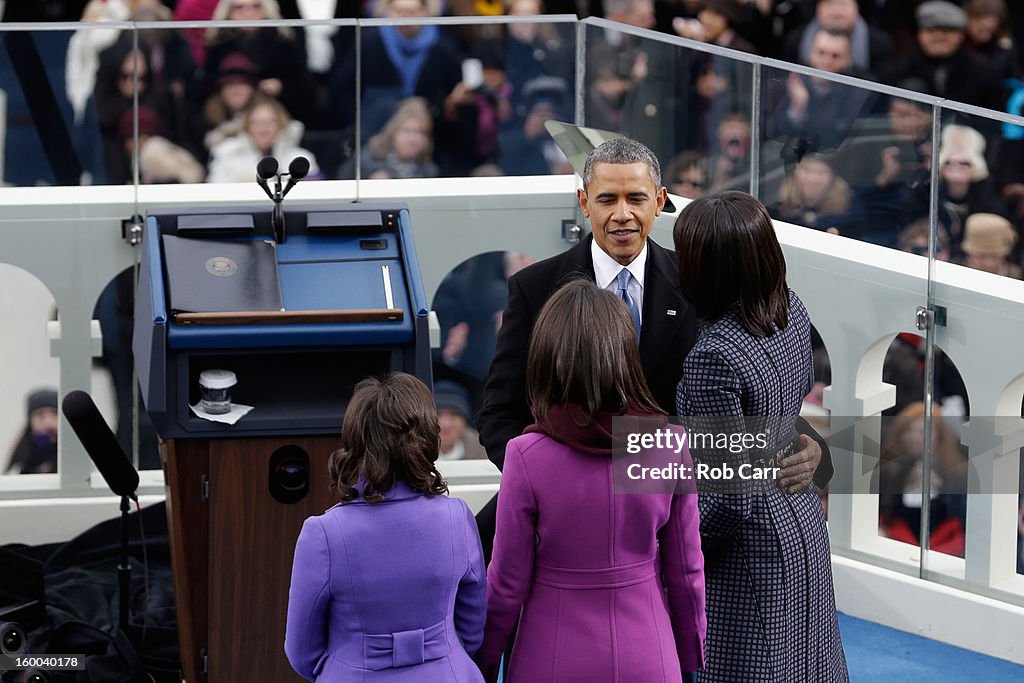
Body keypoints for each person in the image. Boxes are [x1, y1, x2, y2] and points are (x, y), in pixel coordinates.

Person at [476, 137, 832, 562]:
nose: (622, 214)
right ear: (584, 203)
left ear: (660, 201)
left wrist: (805, 444)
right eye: (607, 199)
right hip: (561, 511)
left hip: (673, 514)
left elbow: (752, 390)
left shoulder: (700, 280)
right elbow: (499, 414)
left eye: (636, 198)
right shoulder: (534, 289)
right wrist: (550, 483)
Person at [477, 279, 705, 682]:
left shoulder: (525, 456)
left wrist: (486, 658)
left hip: (549, 653)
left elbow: (507, 582)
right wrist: (689, 654)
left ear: (547, 357)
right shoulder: (670, 445)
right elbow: (685, 573)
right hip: (649, 651)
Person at [673, 191, 848, 681]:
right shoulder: (791, 309)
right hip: (801, 522)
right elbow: (784, 417)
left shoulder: (714, 358)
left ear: (708, 269)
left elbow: (729, 500)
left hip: (747, 558)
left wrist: (673, 551)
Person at [284, 373, 486, 682]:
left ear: (355, 440)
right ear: (426, 439)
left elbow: (302, 651)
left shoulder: (323, 533)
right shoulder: (456, 517)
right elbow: (472, 626)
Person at [4, 389, 59, 474]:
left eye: (55, 413)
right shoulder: (21, 459)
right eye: (40, 415)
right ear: (30, 421)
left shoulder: (73, 455)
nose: (48, 421)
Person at [435, 380, 488, 461]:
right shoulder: (414, 448)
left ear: (464, 421)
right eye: (438, 414)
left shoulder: (482, 448)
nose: (445, 424)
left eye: (454, 415)